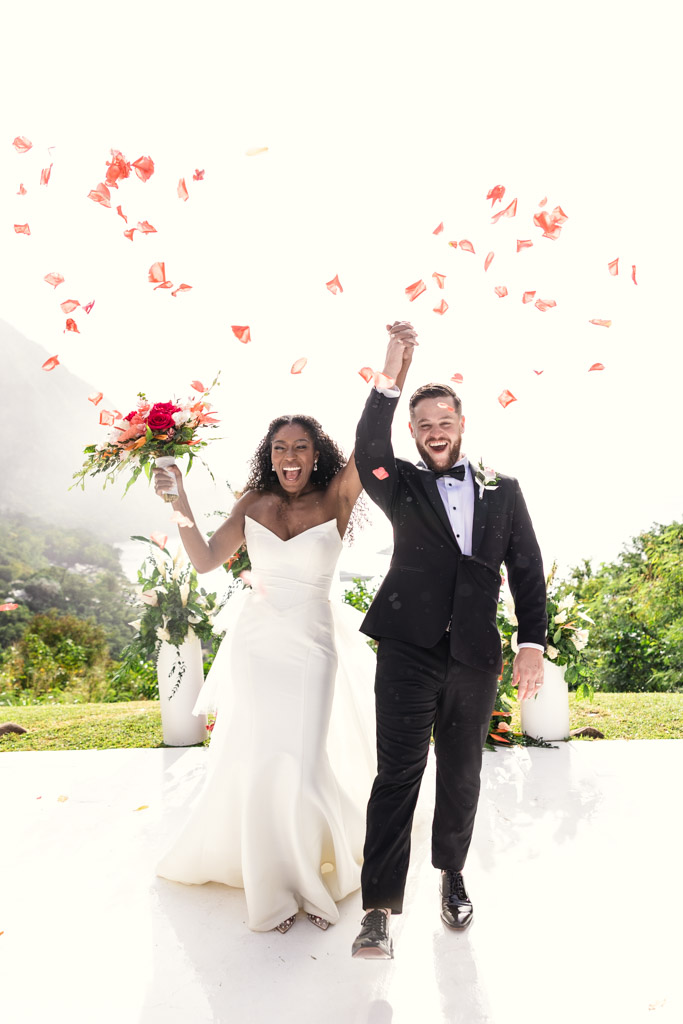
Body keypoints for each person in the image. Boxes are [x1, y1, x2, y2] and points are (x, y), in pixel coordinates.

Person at [152, 372, 409, 933]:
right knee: (266, 760)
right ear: (269, 457)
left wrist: (395, 364)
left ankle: (307, 881)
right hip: (258, 645)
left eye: (300, 447)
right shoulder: (254, 501)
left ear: (318, 455)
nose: (289, 456)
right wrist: (178, 502)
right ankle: (272, 888)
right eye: (279, 448)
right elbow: (204, 559)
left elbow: (373, 437)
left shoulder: (338, 496)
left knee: (305, 760)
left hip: (315, 642)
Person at [351, 322, 547, 959]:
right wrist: (392, 369)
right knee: (398, 776)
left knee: (461, 774)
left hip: (473, 655)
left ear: (462, 423)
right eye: (424, 422)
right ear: (414, 432)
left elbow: (527, 570)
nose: (435, 430)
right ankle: (378, 907)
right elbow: (365, 442)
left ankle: (451, 874)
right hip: (406, 647)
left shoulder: (504, 492)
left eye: (444, 420)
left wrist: (530, 643)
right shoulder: (396, 481)